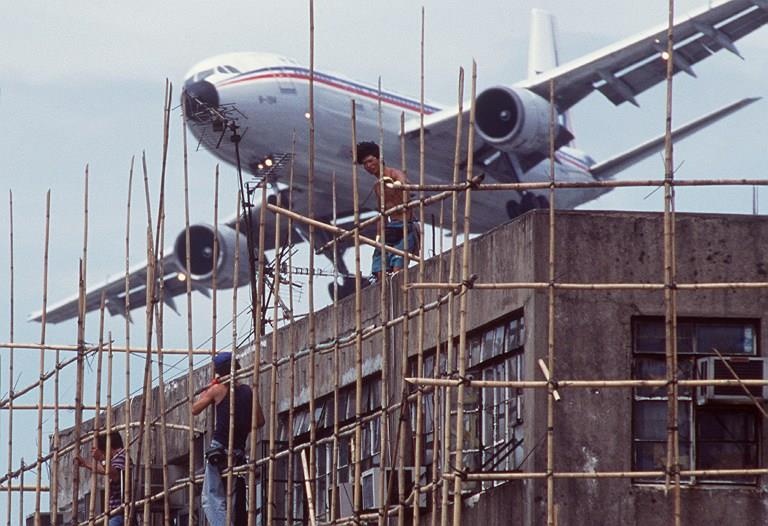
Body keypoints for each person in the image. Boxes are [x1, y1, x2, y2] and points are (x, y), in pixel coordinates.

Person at [192, 352, 264, 526]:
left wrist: (211, 387)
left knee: (211, 496)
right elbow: (260, 421)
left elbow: (194, 409)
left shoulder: (218, 389)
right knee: (230, 496)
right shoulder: (248, 391)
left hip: (220, 448)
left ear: (219, 372)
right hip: (238, 450)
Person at [356, 141, 420, 281]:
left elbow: (404, 183)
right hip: (390, 229)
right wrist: (379, 238)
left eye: (371, 161)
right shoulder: (377, 186)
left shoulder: (394, 173)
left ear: (379, 159)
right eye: (365, 163)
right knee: (380, 269)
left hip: (405, 226)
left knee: (398, 266)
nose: (368, 166)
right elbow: (382, 214)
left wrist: (394, 184)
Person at [75, 430, 128, 526]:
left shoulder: (120, 457)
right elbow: (106, 470)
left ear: (108, 448)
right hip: (117, 513)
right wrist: (86, 464)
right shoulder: (118, 458)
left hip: (120, 513)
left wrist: (101, 459)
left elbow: (114, 474)